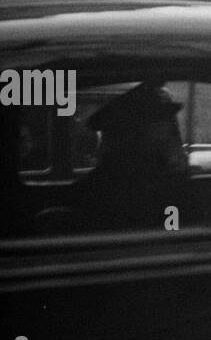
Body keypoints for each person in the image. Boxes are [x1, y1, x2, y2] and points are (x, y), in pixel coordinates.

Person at [73, 83, 191, 231]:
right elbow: (171, 229)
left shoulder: (160, 173)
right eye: (158, 122)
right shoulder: (110, 188)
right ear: (133, 132)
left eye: (167, 122)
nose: (166, 130)